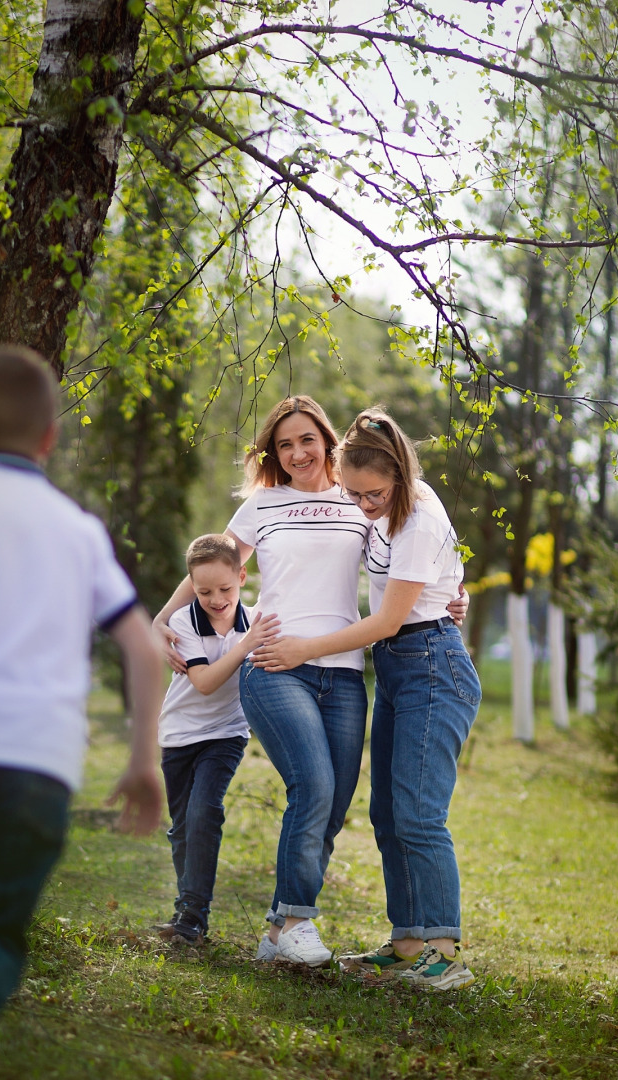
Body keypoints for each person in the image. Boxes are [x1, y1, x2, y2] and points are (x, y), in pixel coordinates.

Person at [153, 395, 467, 968]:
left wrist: (451, 596)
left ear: (329, 441)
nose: (297, 453)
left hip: (344, 672)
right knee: (314, 785)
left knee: (335, 800)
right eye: (283, 444)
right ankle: (298, 920)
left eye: (306, 440)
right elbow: (213, 564)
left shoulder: (361, 497)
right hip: (275, 661)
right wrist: (162, 617)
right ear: (273, 453)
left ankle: (278, 932)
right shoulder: (263, 505)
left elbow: (410, 562)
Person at [0, 345, 163, 1080]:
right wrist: (143, 763)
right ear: (50, 439)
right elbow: (145, 648)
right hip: (38, 766)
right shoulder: (78, 530)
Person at [253, 407, 481, 990]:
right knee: (387, 811)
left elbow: (386, 621)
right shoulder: (389, 508)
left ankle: (443, 950)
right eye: (352, 493)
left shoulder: (418, 517)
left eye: (372, 493)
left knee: (419, 813)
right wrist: (456, 590)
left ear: (400, 476)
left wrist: (304, 649)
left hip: (432, 664)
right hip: (402, 669)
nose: (362, 504)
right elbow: (443, 579)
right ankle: (407, 941)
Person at [156, 533, 278, 944]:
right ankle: (185, 909)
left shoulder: (256, 619)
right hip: (178, 735)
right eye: (204, 590)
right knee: (181, 828)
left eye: (225, 588)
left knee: (205, 811)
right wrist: (245, 646)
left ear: (243, 576)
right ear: (192, 587)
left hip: (226, 734)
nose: (216, 598)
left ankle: (193, 917)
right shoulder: (182, 622)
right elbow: (204, 682)